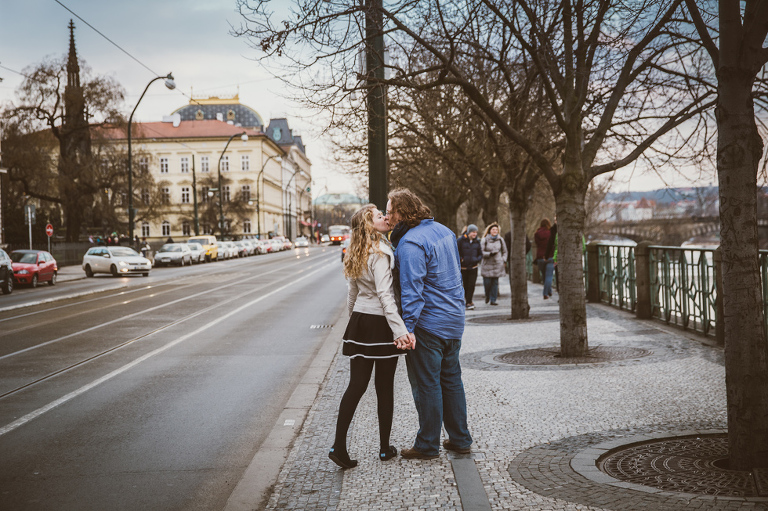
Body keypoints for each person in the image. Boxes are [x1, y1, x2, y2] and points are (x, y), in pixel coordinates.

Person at [386, 188, 473, 460]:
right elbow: (456, 276)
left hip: (428, 324)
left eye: (389, 211)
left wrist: (408, 329)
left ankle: (427, 444)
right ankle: (460, 438)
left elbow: (412, 292)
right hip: (453, 319)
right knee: (452, 380)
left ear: (401, 213)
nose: (387, 217)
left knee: (427, 384)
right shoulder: (445, 232)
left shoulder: (410, 243)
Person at [329, 204, 415, 470]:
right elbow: (385, 296)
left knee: (356, 385)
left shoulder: (356, 251)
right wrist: (400, 330)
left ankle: (338, 446)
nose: (385, 217)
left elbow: (352, 294)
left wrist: (353, 323)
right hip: (381, 324)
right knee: (384, 387)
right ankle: (384, 448)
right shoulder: (380, 252)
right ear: (369, 225)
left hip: (361, 321)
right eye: (379, 216)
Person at [480, 222, 507, 306]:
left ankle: (493, 300)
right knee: (487, 283)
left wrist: (503, 259)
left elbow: (505, 251)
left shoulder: (500, 240)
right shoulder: (484, 240)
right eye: (493, 229)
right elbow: (481, 252)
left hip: (497, 264)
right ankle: (487, 295)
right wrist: (489, 254)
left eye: (496, 230)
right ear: (489, 231)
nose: (495, 231)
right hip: (487, 264)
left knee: (495, 283)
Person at [457, 224, 482, 310]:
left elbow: (480, 253)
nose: (475, 234)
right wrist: (461, 259)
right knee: (465, 285)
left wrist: (477, 259)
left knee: (472, 285)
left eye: (476, 232)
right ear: (469, 232)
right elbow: (456, 252)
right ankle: (468, 300)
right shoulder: (460, 241)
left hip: (473, 267)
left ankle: (468, 302)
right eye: (473, 232)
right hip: (463, 268)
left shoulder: (477, 241)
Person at [534, 218, 554, 299]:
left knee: (544, 275)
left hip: (540, 257)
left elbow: (537, 244)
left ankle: (549, 291)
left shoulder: (537, 234)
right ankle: (545, 293)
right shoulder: (551, 233)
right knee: (549, 276)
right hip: (549, 256)